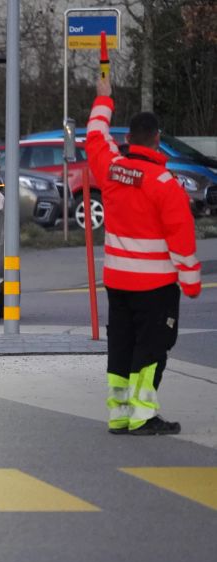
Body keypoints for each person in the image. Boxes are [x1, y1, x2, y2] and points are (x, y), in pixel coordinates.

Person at [85, 73, 201, 435]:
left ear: (128, 140)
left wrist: (104, 98)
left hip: (117, 282)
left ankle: (119, 414)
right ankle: (143, 415)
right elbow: (181, 240)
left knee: (121, 345)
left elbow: (94, 136)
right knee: (152, 350)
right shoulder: (165, 185)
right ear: (157, 140)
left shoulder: (111, 169)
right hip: (155, 286)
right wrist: (192, 282)